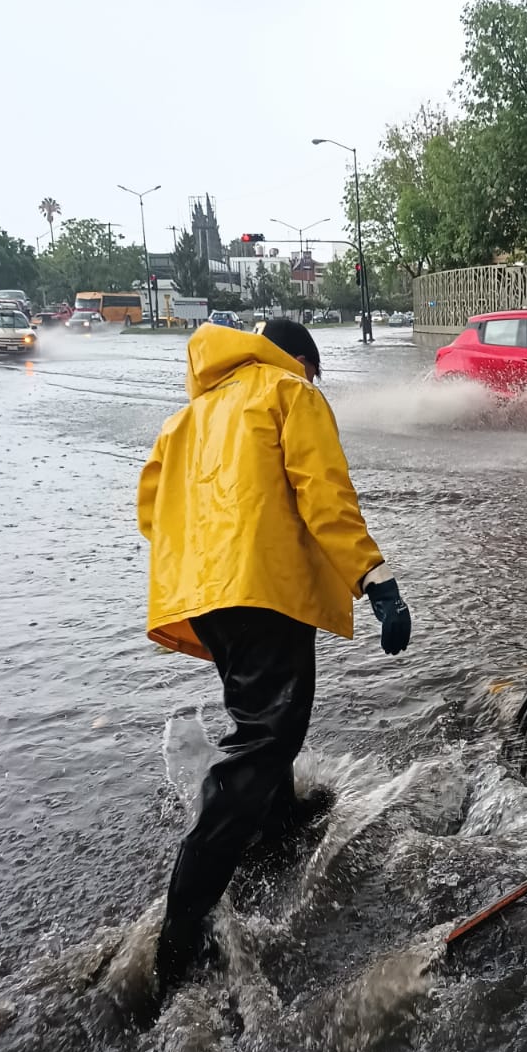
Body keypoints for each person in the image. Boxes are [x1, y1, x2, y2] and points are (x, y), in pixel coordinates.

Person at [137, 317, 411, 999]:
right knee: (266, 734)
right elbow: (324, 494)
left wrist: (211, 556)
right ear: (298, 359)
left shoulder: (189, 417)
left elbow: (151, 508)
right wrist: (374, 579)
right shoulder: (289, 392)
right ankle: (181, 935)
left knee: (264, 713)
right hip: (264, 589)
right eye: (311, 371)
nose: (312, 383)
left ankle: (280, 815)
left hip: (206, 592)